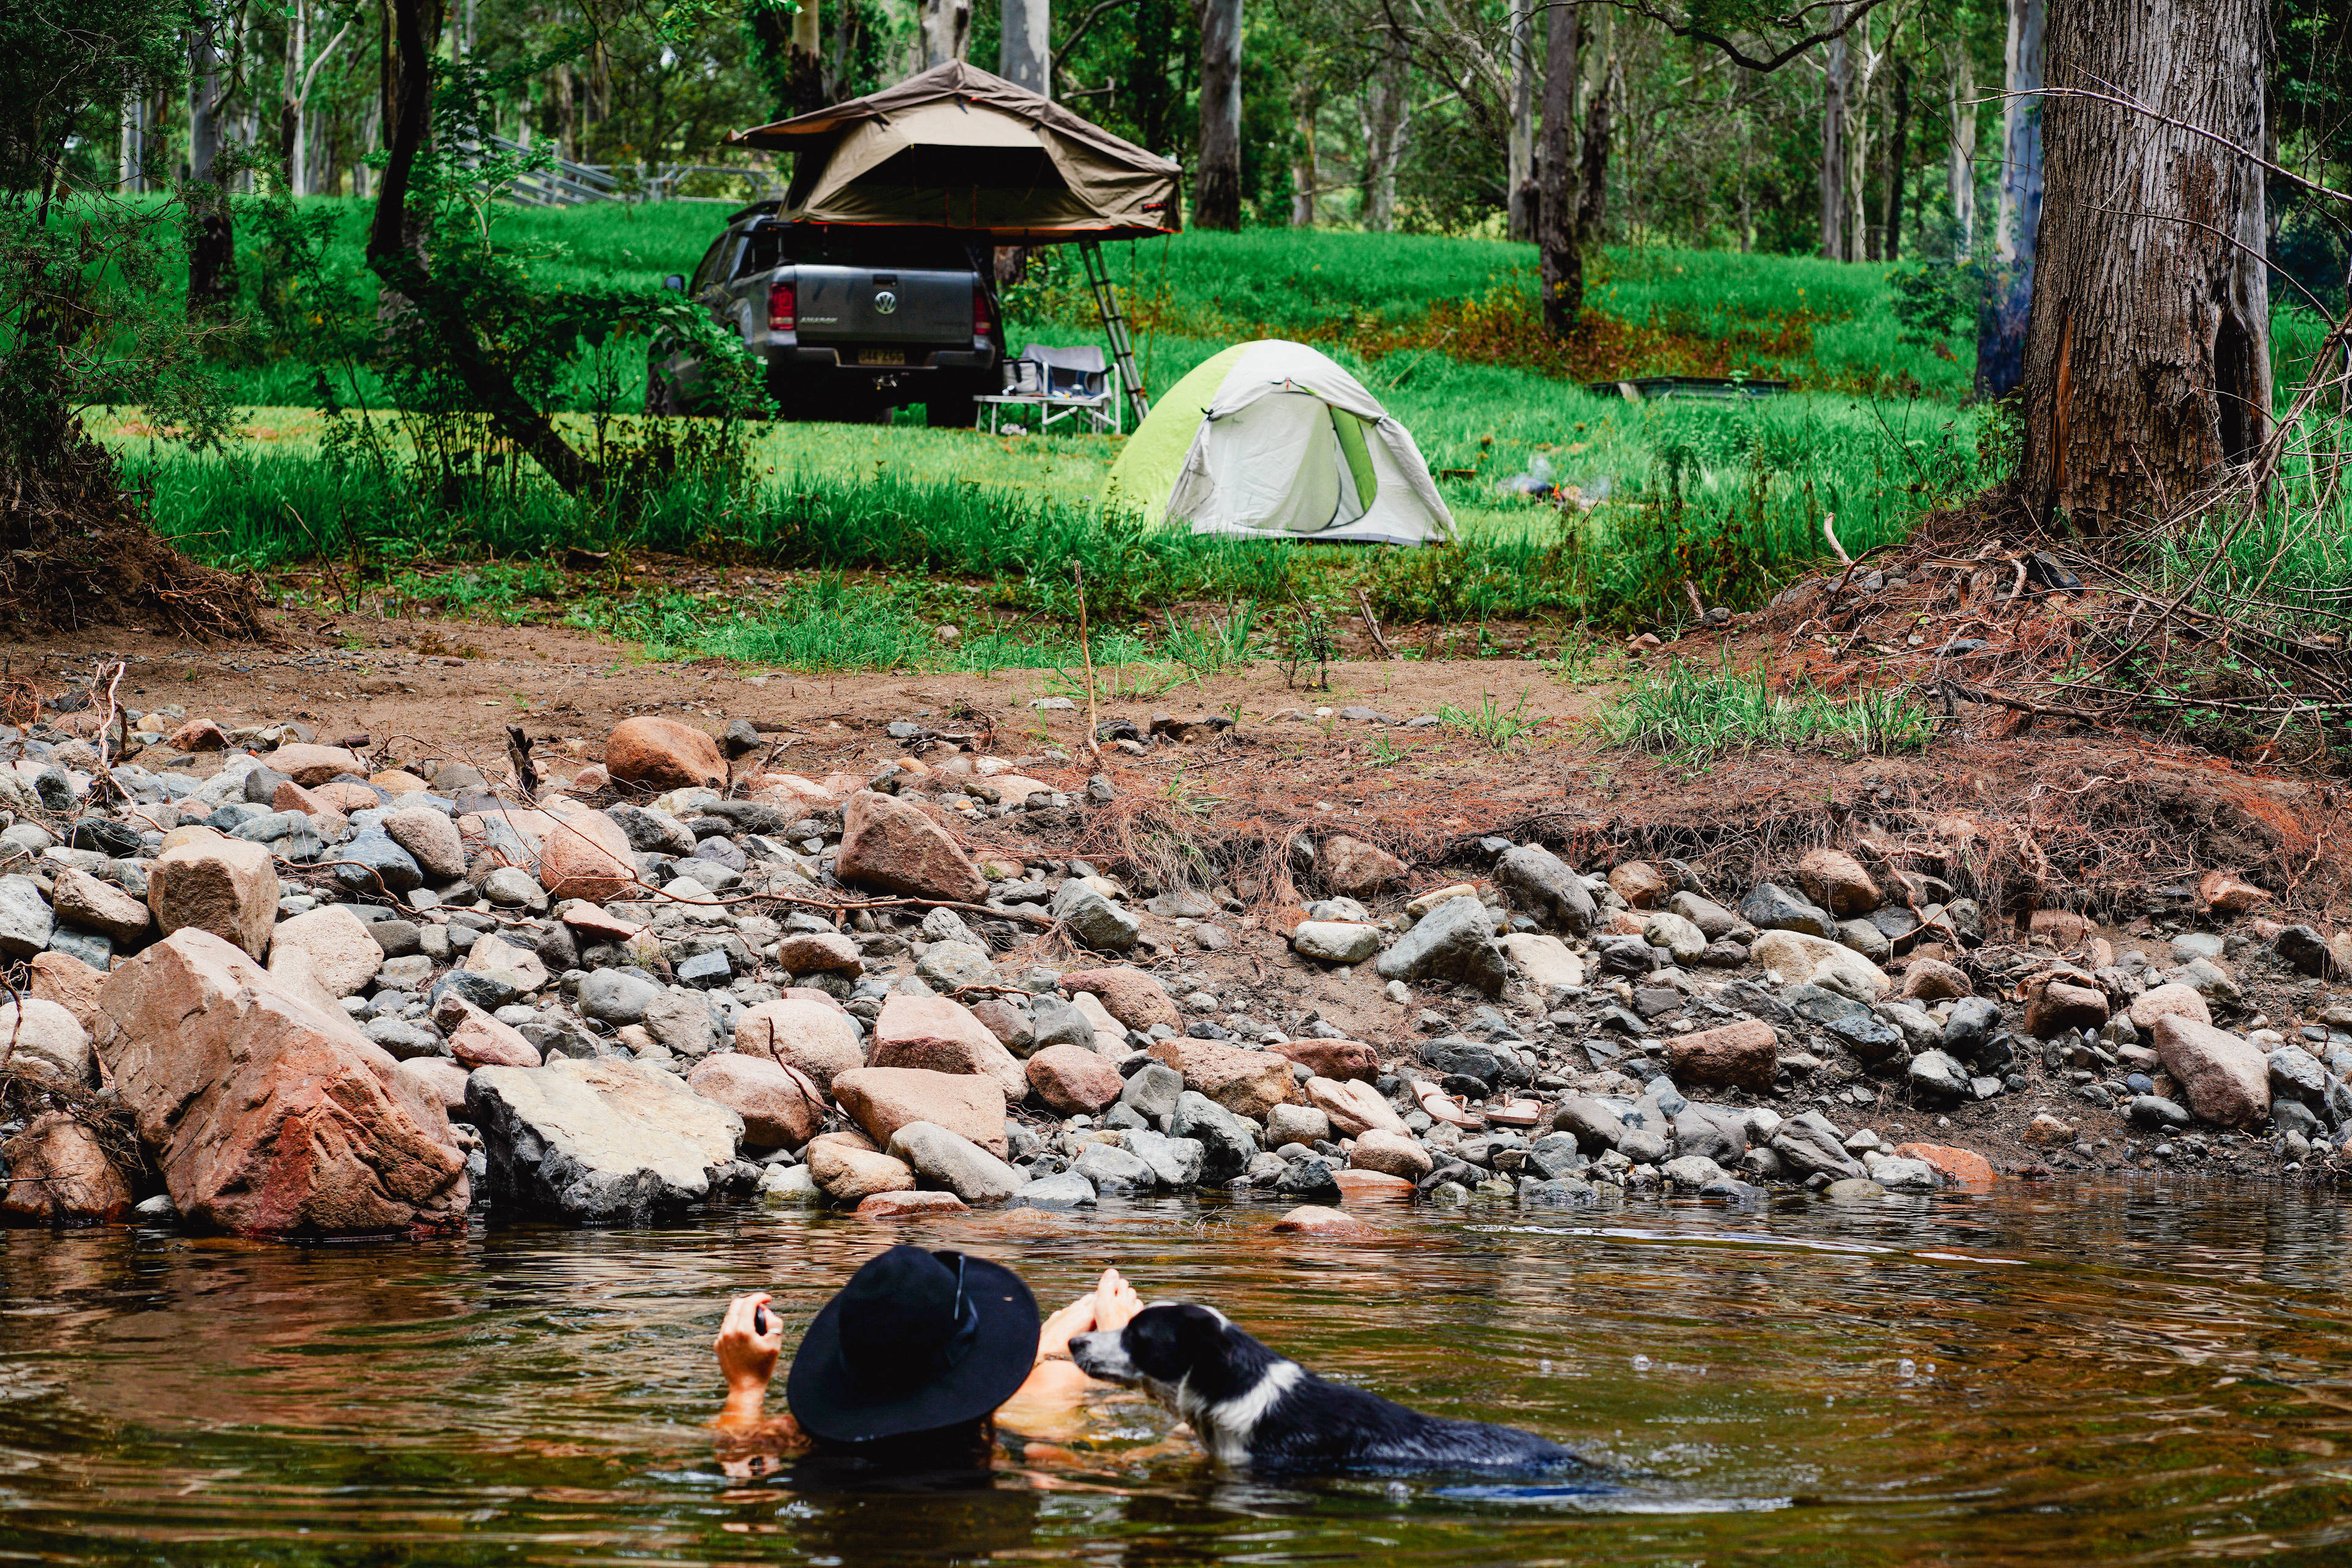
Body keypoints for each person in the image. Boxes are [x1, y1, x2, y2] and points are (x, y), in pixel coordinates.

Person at [712, 1246, 1142, 1472]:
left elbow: (739, 1467)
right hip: (1030, 1436)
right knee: (1054, 1390)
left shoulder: (802, 1452)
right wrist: (1117, 1354)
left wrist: (745, 1389)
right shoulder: (1025, 1459)